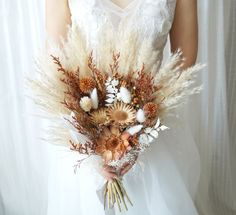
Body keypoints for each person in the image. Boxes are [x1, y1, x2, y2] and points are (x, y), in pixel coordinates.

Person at [45, 0, 200, 214]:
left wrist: (140, 135)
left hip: (153, 132)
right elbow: (57, 65)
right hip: (84, 132)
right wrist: (91, 143)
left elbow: (183, 66)